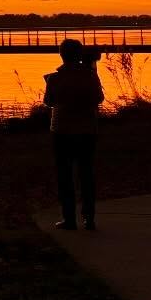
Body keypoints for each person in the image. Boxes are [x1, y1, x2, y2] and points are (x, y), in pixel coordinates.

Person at [42, 39, 104, 230]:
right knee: (86, 173)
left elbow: (49, 101)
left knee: (64, 175)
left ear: (61, 54)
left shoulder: (55, 78)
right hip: (87, 129)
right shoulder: (91, 76)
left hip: (62, 130)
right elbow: (99, 98)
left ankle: (69, 218)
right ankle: (89, 217)